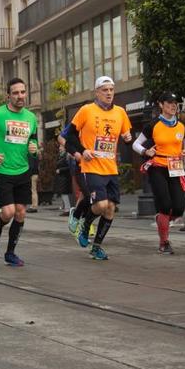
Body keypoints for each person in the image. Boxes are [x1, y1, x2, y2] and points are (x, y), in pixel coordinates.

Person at [65, 76, 133, 260]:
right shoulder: (87, 110)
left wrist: (128, 140)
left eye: (111, 89)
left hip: (111, 168)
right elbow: (69, 136)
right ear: (97, 92)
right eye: (105, 90)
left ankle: (96, 247)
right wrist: (82, 150)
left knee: (110, 209)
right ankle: (85, 225)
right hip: (92, 166)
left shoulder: (120, 112)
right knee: (101, 205)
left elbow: (127, 138)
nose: (109, 93)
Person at [0, 79, 40, 266]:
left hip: (23, 170)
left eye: (23, 92)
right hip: (2, 170)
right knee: (9, 212)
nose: (20, 96)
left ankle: (10, 253)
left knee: (20, 213)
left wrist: (33, 148)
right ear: (8, 96)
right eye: (16, 93)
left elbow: (32, 140)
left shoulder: (31, 117)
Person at [133, 93, 185, 253]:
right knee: (165, 205)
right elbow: (136, 144)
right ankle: (164, 242)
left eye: (175, 103)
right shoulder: (153, 125)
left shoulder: (182, 125)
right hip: (158, 167)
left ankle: (161, 220)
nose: (173, 106)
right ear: (161, 105)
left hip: (176, 167)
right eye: (169, 103)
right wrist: (145, 151)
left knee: (178, 208)